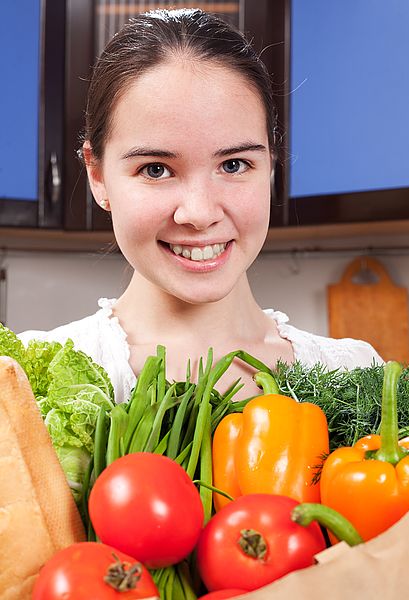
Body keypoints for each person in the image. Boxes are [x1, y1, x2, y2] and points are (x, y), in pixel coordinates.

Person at [19, 8, 381, 404]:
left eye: (234, 164)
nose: (199, 213)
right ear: (98, 175)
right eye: (156, 169)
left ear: (271, 167)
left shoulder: (357, 374)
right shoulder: (24, 381)